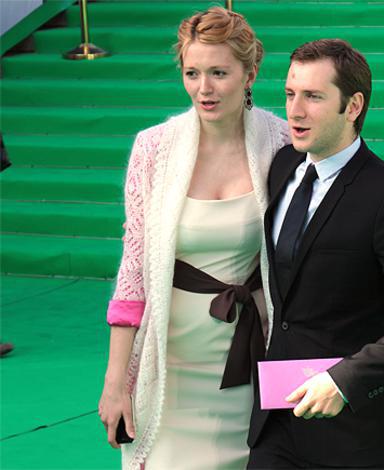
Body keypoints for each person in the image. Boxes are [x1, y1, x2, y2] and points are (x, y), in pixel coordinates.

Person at [98, 7, 289, 470]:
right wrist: (116, 381)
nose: (204, 88)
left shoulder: (282, 143)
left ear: (250, 74)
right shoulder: (153, 149)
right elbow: (134, 269)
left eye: (219, 73)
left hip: (252, 357)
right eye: (192, 73)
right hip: (171, 366)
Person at [247, 39, 384, 469]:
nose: (295, 111)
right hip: (277, 425)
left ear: (353, 106)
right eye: (289, 94)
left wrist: (343, 381)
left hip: (359, 437)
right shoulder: (281, 167)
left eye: (313, 97)